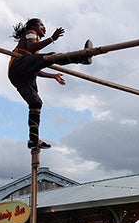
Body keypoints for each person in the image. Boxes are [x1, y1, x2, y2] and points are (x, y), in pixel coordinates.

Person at [9, 18, 93, 149]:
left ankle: (33, 140)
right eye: (41, 25)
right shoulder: (31, 33)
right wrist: (52, 38)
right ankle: (82, 58)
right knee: (51, 57)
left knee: (36, 103)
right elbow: (32, 46)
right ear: (33, 27)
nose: (44, 28)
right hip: (18, 67)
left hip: (20, 77)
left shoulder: (32, 53)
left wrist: (53, 76)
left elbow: (36, 71)